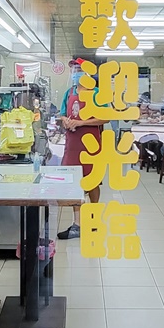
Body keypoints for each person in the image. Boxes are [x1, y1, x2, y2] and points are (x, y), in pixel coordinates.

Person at [56, 66, 106, 240]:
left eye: (78, 69)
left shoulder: (97, 92)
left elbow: (106, 117)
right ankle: (77, 224)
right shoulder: (69, 92)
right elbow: (62, 114)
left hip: (90, 143)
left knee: (92, 181)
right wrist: (66, 121)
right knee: (74, 182)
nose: (75, 72)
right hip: (72, 142)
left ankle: (93, 218)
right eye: (73, 69)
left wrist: (81, 122)